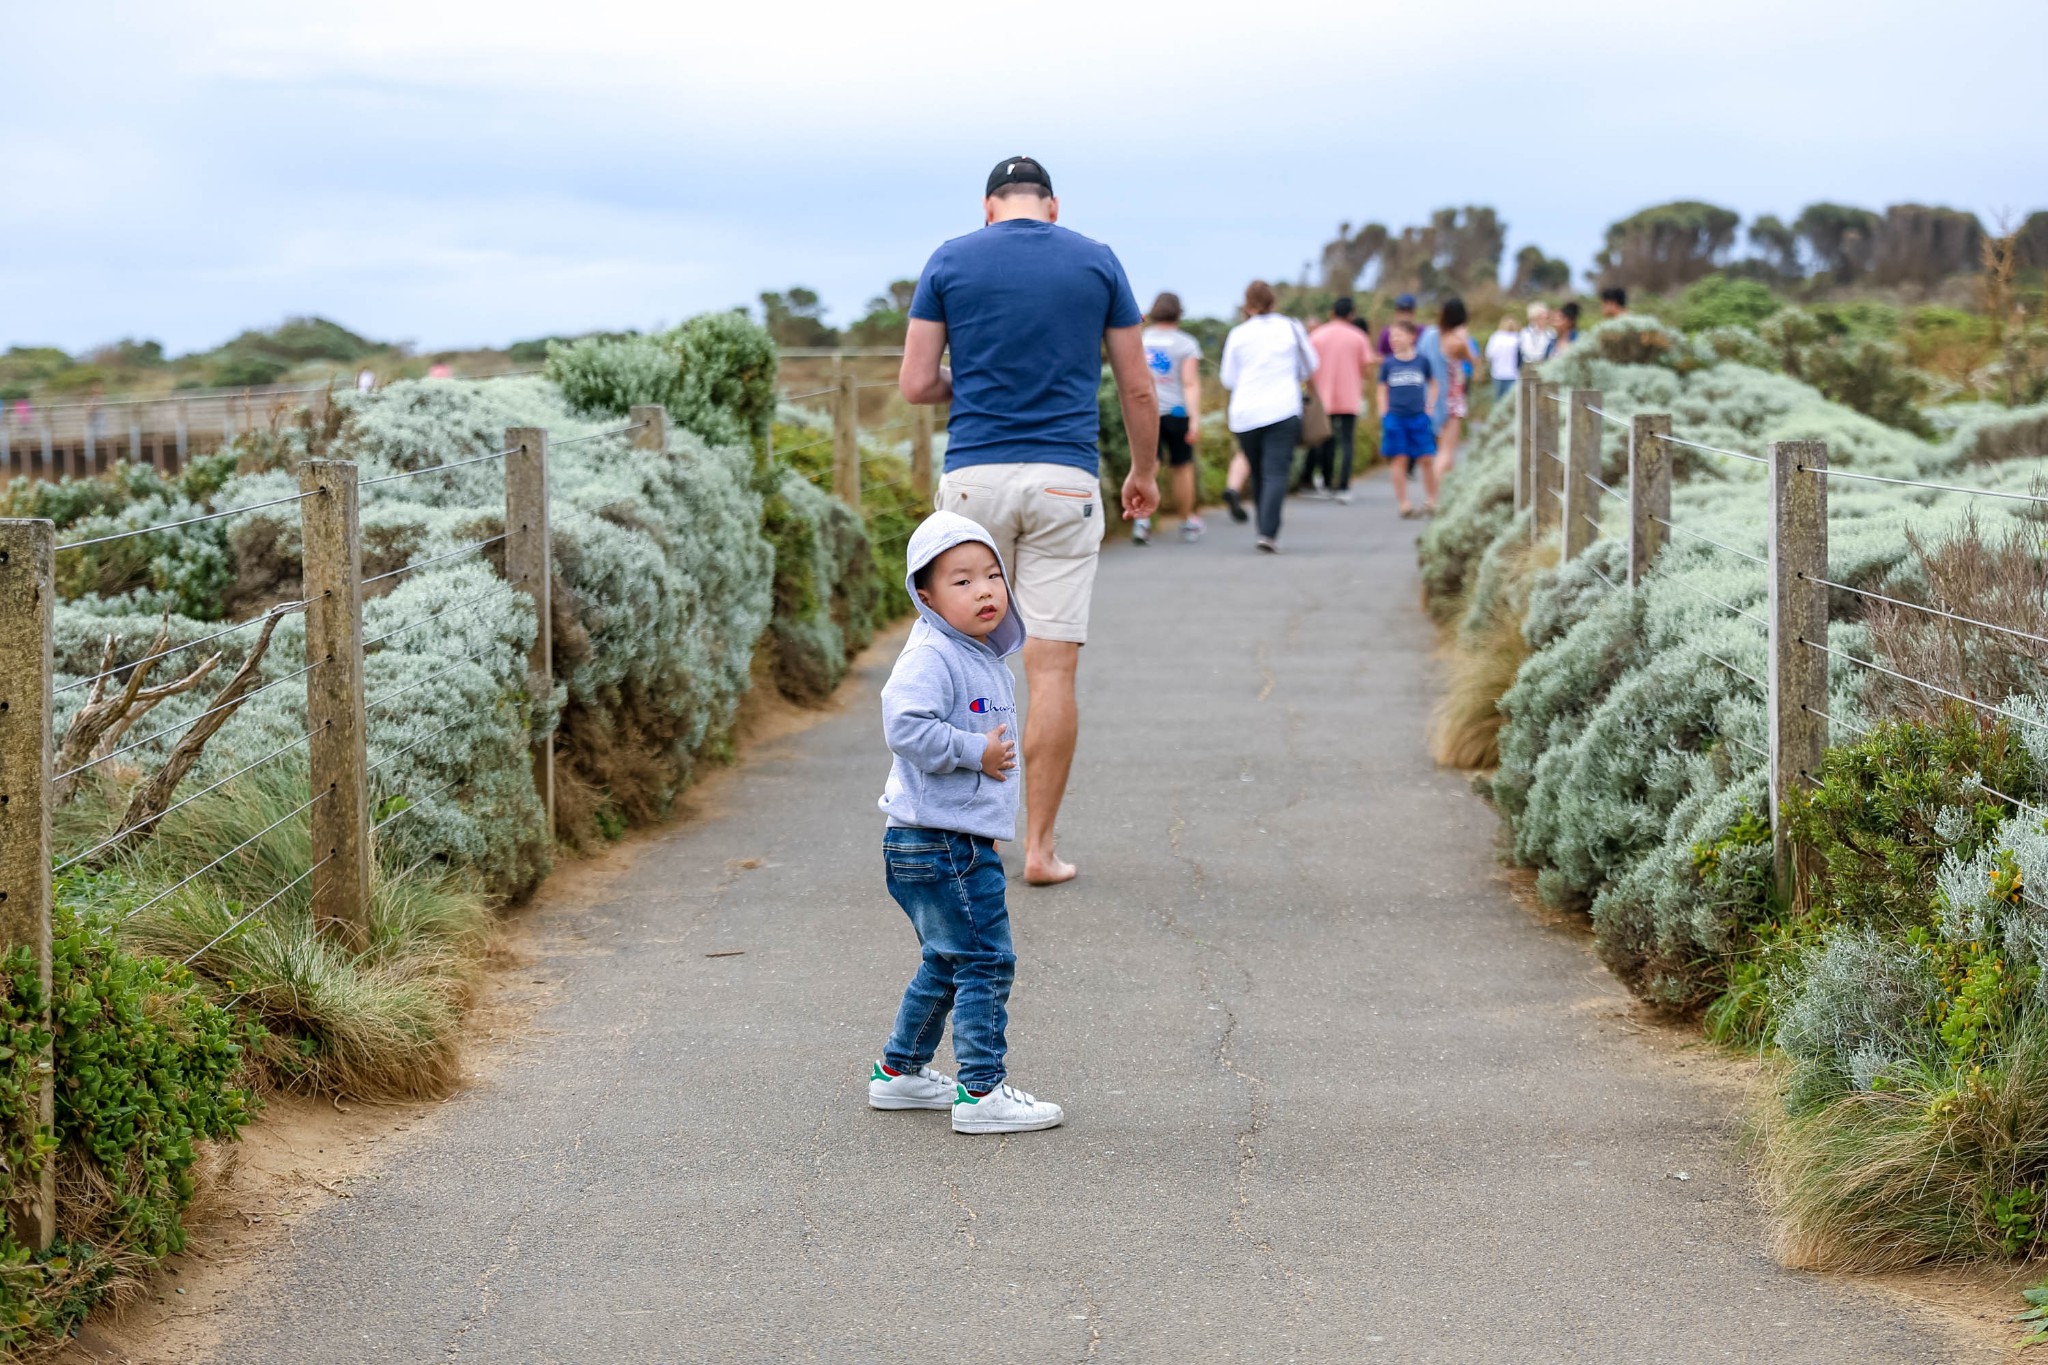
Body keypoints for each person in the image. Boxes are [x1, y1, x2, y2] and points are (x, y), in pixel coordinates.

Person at [900, 154, 1159, 887]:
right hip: (1063, 480)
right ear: (1052, 205)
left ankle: (958, 840)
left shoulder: (950, 260)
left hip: (974, 481)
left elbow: (917, 382)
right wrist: (1145, 472)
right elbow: (1138, 387)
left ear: (989, 207)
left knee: (956, 656)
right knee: (1051, 667)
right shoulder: (1096, 261)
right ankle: (1041, 850)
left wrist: (973, 380)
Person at [868, 511, 1063, 1135]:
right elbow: (904, 725)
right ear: (924, 596)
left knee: (949, 960)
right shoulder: (932, 654)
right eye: (961, 580)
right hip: (938, 842)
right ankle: (982, 1090)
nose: (983, 590)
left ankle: (900, 1073)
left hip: (944, 840)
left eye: (991, 576)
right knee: (984, 961)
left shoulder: (979, 655)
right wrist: (971, 750)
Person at [1219, 280, 1317, 553]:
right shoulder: (1291, 327)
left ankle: (1263, 525)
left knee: (1258, 469)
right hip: (1283, 408)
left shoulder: (1238, 334)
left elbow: (1228, 378)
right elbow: (1311, 365)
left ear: (1247, 306)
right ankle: (1267, 532)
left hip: (1245, 413)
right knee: (1276, 472)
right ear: (1273, 302)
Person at [1137, 292, 1204, 544]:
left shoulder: (1141, 341)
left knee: (1147, 467)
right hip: (1176, 413)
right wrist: (1194, 420)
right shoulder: (1186, 343)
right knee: (1181, 468)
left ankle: (1141, 522)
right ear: (1179, 313)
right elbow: (1189, 383)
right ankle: (1187, 522)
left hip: (1145, 413)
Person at [1302, 297, 1376, 502]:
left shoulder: (1317, 336)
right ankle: (1343, 486)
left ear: (1332, 312)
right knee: (1347, 441)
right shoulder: (1359, 337)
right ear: (1351, 315)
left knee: (1326, 440)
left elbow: (1306, 367)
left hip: (1323, 397)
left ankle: (1325, 483)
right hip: (1349, 396)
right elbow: (1367, 369)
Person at [1377, 320, 1439, 518]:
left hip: (1419, 417)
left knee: (1426, 458)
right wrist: (1383, 412)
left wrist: (1430, 405)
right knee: (1399, 459)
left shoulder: (1422, 361)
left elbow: (1434, 383)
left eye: (1399, 335)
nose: (1394, 339)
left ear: (1412, 337)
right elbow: (1381, 389)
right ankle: (1404, 503)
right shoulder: (1388, 363)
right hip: (1395, 417)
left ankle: (1432, 500)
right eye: (1392, 336)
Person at [1430, 297, 1475, 474]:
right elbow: (1473, 360)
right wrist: (1464, 338)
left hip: (1437, 395)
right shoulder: (1456, 340)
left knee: (1441, 449)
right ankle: (1437, 497)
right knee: (1447, 452)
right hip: (1452, 397)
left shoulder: (1435, 336)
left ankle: (1437, 495)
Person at [1485, 312, 1522, 401]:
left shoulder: (1496, 337)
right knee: (1510, 401)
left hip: (1497, 372)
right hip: (1513, 373)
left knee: (1498, 399)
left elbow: (1489, 354)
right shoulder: (1518, 338)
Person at [1377, 292, 1419, 358]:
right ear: (1396, 312)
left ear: (1413, 313)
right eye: (1402, 311)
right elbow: (1380, 356)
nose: (1405, 315)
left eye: (1408, 311)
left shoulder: (1421, 332)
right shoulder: (1387, 333)